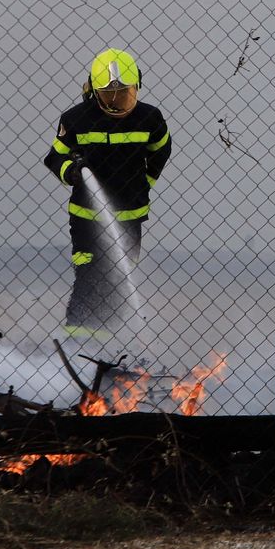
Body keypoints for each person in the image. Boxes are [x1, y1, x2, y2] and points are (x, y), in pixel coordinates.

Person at [43, 48, 172, 339]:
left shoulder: (150, 119)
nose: (117, 102)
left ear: (137, 85)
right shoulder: (76, 120)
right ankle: (79, 348)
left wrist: (145, 182)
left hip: (130, 218)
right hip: (87, 218)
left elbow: (161, 151)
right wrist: (72, 172)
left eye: (124, 94)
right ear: (93, 91)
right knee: (89, 278)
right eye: (109, 95)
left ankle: (113, 347)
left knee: (117, 282)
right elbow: (54, 157)